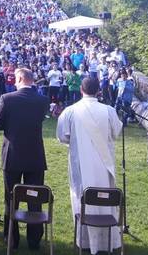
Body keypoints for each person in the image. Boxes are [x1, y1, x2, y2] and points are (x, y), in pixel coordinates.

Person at [56, 77, 123, 254]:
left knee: (82, 198)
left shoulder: (70, 111)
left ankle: (84, 242)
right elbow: (116, 132)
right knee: (106, 198)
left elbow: (62, 136)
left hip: (80, 163)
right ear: (99, 90)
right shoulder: (109, 110)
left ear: (80, 89)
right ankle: (107, 241)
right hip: (104, 164)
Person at [0, 68, 49, 250]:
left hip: (13, 155)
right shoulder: (43, 100)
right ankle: (34, 240)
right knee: (35, 198)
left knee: (11, 198)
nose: (14, 83)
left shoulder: (7, 99)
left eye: (15, 80)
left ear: (21, 78)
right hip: (34, 155)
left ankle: (12, 239)